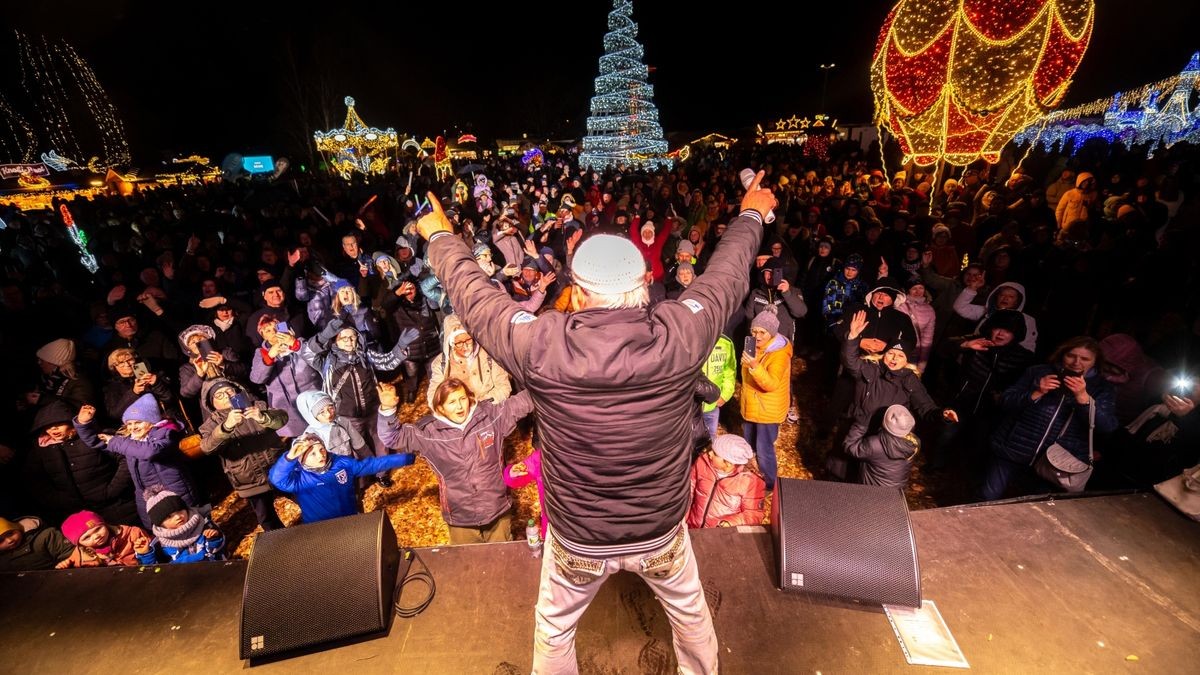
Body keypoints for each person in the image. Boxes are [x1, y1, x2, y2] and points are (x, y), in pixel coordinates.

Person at [411, 171, 773, 672]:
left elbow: (478, 300)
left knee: (555, 630)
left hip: (579, 536)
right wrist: (751, 214)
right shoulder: (682, 333)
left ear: (578, 295)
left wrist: (440, 237)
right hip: (659, 530)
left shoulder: (543, 345)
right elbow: (727, 276)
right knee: (691, 616)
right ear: (644, 286)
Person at [377, 379, 533, 544]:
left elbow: (526, 401)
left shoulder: (490, 417)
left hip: (497, 508)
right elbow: (392, 437)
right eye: (451, 402)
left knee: (501, 560)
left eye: (462, 399)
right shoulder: (429, 434)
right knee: (467, 564)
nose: (459, 406)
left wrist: (550, 377)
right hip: (461, 517)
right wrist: (387, 409)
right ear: (440, 407)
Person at [982, 336, 1118, 500]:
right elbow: (1005, 402)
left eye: (1085, 359)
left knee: (1035, 508)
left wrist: (1083, 398)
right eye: (1071, 355)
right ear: (1062, 354)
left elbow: (1107, 426)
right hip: (1013, 447)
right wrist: (1036, 392)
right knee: (988, 495)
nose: (1076, 362)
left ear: (1094, 362)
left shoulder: (1102, 388)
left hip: (1055, 461)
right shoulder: (1038, 371)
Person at [75, 397, 204, 529]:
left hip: (174, 491)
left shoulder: (165, 434)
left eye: (138, 422)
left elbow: (150, 452)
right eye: (129, 423)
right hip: (147, 496)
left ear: (151, 421)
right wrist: (84, 424)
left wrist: (114, 441)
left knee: (188, 527)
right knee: (159, 530)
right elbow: (96, 441)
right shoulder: (129, 440)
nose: (133, 427)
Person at [22, 399, 138, 527]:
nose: (53, 428)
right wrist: (60, 501)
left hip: (117, 507)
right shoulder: (40, 450)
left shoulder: (93, 436)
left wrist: (111, 490)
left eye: (58, 423)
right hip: (77, 516)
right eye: (48, 426)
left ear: (70, 421)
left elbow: (126, 458)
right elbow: (35, 482)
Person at [198, 380, 287, 531]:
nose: (226, 396)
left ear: (237, 392)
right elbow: (207, 447)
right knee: (266, 518)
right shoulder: (210, 425)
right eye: (219, 395)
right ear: (212, 403)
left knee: (304, 500)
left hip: (279, 468)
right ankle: (282, 547)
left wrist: (263, 417)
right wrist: (226, 427)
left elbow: (282, 418)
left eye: (229, 391)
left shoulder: (257, 406)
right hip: (249, 479)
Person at [268, 433, 415, 524]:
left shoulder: (342, 464)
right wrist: (288, 458)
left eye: (321, 449)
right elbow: (277, 479)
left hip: (349, 520)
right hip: (318, 528)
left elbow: (372, 464)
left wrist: (405, 458)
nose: (320, 455)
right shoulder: (299, 478)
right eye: (312, 454)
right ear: (301, 460)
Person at [739, 311, 792, 492]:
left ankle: (770, 485)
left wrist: (755, 366)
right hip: (752, 405)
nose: (757, 336)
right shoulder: (754, 347)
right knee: (749, 443)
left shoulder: (778, 354)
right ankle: (749, 474)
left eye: (762, 332)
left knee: (764, 450)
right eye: (754, 331)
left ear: (772, 333)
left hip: (767, 410)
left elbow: (771, 384)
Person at [426, 314, 512, 407]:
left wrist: (479, 405)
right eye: (459, 343)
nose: (465, 346)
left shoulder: (489, 355)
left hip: (489, 409)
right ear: (451, 343)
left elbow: (504, 387)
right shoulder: (441, 364)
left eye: (468, 340)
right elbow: (433, 397)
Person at [686, 434, 766, 528]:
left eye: (715, 454)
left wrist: (729, 523)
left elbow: (754, 514)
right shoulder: (702, 462)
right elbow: (688, 491)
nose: (709, 453)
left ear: (729, 463)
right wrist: (682, 518)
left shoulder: (750, 482)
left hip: (718, 535)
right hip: (692, 525)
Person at [137, 485, 225, 564]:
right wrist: (146, 554)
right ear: (160, 524)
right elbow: (155, 570)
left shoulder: (204, 525)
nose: (178, 517)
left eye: (179, 510)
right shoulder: (159, 544)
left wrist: (214, 539)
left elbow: (217, 551)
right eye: (169, 516)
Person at [844, 404, 920, 489]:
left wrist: (860, 425)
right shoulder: (914, 443)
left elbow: (850, 447)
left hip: (874, 490)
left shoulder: (875, 444)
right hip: (896, 490)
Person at [56, 509, 151, 568]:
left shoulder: (133, 534)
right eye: (87, 537)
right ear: (80, 544)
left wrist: (145, 553)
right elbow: (74, 565)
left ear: (105, 525)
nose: (96, 536)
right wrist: (66, 565)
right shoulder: (81, 552)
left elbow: (153, 561)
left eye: (98, 529)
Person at [0, 515, 73, 572]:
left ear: (17, 528)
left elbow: (70, 554)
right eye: (1, 540)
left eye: (10, 533)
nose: (9, 540)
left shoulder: (46, 537)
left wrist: (65, 565)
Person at [700, 334, 736, 440]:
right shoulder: (686, 339)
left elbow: (730, 373)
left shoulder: (725, 343)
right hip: (689, 407)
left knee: (711, 441)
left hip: (712, 406)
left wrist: (724, 396)